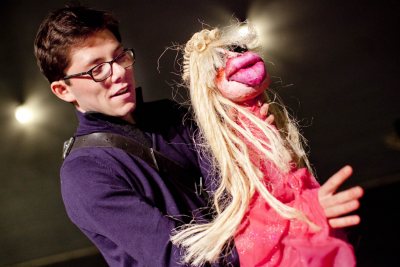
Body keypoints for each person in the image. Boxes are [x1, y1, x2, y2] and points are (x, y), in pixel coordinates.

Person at [34, 5, 362, 267]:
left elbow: (233, 192)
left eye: (120, 56)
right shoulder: (85, 174)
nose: (119, 73)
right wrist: (287, 228)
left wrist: (252, 141)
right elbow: (182, 260)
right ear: (63, 90)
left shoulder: (170, 116)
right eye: (96, 69)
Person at [170, 24, 363, 267]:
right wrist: (308, 212)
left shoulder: (267, 122)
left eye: (237, 49)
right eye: (219, 62)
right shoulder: (234, 144)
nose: (235, 58)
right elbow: (254, 229)